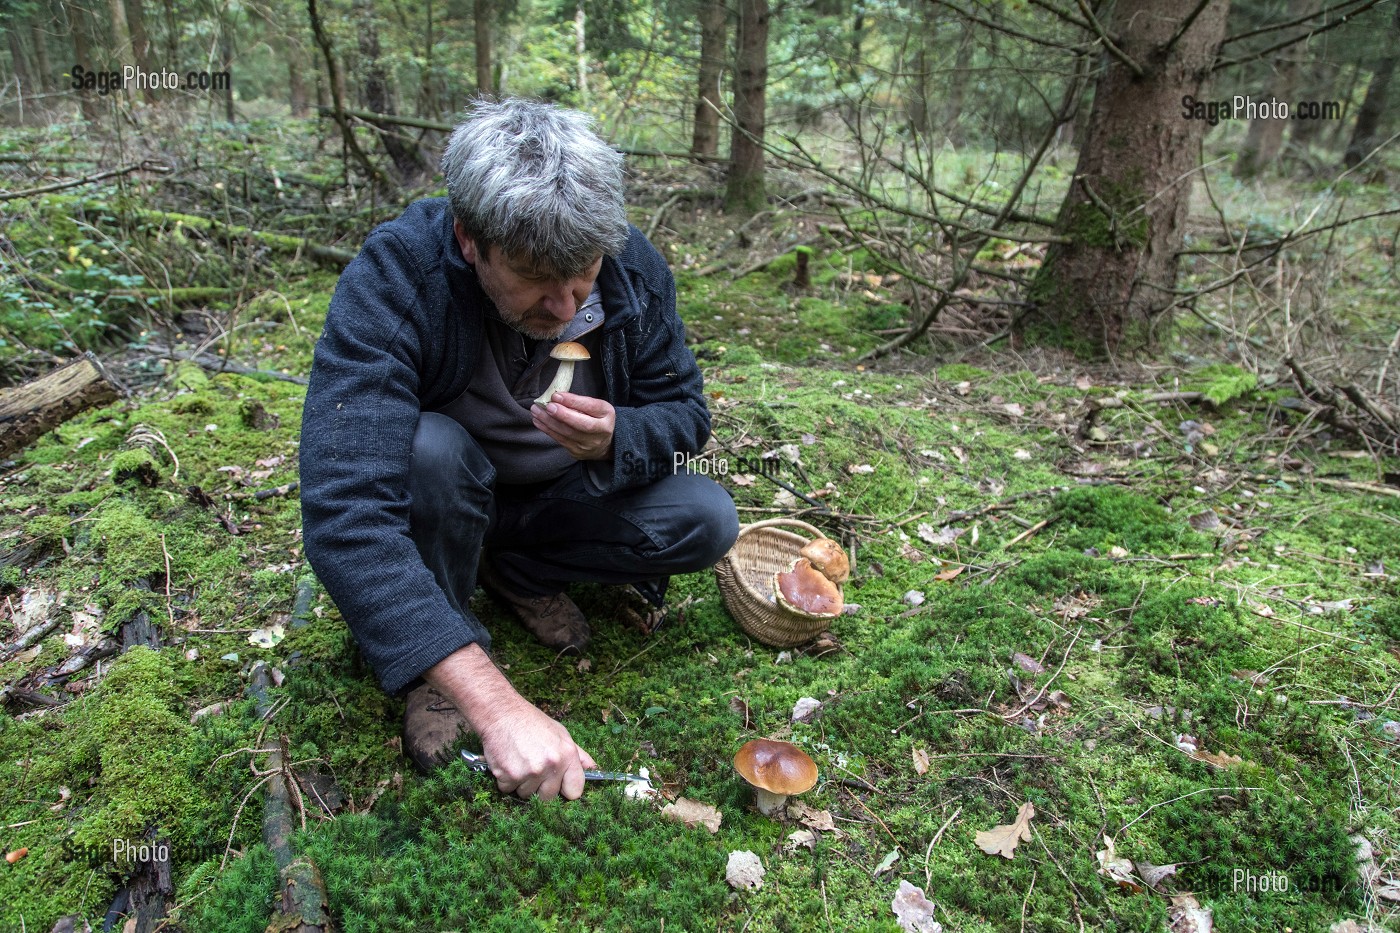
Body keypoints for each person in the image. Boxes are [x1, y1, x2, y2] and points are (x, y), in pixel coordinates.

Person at [299, 99, 739, 803]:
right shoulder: (399, 275)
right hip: (445, 498)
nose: (566, 305)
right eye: (537, 275)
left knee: (706, 516)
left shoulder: (631, 268)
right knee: (430, 453)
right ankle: (435, 660)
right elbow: (345, 514)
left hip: (561, 498)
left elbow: (686, 411)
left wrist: (618, 436)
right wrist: (498, 706)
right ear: (470, 239)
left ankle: (518, 570)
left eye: (583, 273)